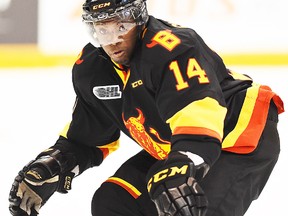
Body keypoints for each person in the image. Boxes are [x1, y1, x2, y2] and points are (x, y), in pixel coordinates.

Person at [8, 0, 284, 215]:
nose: (112, 39)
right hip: (177, 144)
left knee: (185, 204)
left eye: (120, 27)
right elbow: (89, 135)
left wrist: (183, 161)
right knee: (114, 202)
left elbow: (199, 110)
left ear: (139, 20)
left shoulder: (172, 47)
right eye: (102, 29)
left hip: (239, 135)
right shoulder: (91, 68)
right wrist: (57, 163)